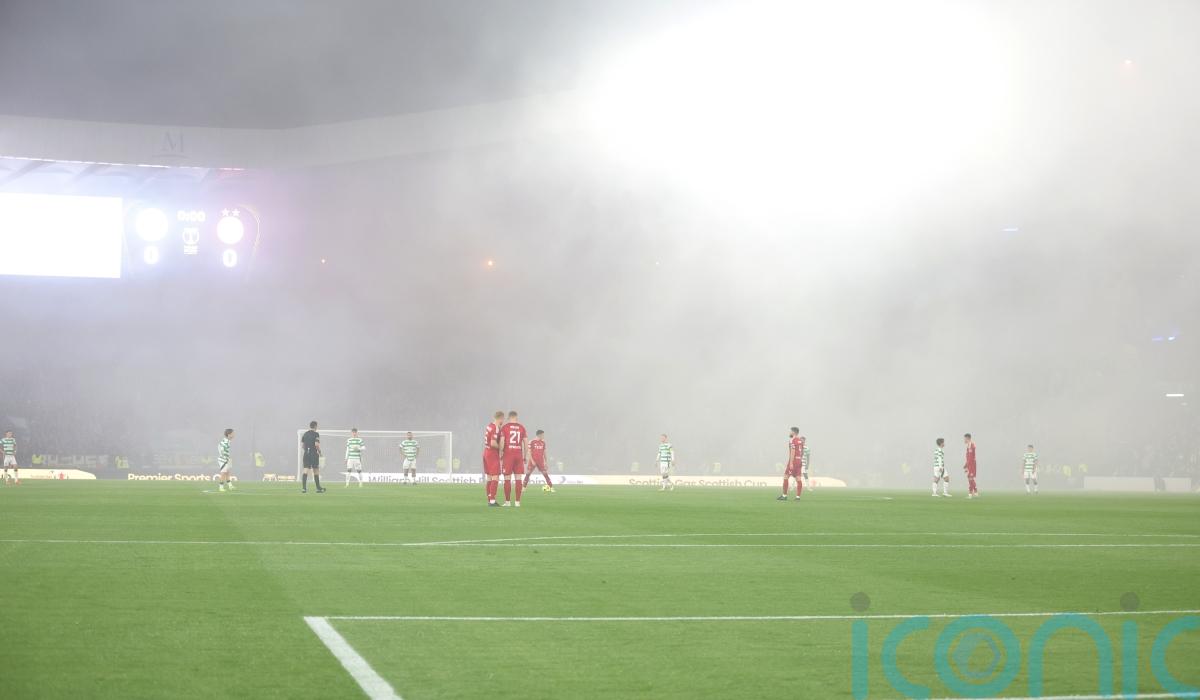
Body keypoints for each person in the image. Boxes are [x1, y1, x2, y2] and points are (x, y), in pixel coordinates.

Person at [500, 411, 528, 507]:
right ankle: (517, 502)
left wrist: (501, 453)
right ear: (516, 417)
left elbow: (502, 441)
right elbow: (526, 443)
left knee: (507, 478)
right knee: (518, 478)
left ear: (509, 417)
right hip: (518, 455)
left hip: (508, 455)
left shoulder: (505, 427)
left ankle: (507, 502)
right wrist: (525, 456)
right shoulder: (522, 428)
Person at [483, 411, 503, 506]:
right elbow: (493, 443)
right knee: (495, 476)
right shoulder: (495, 427)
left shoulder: (489, 425)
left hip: (486, 452)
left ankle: (489, 500)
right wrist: (501, 448)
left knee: (489, 477)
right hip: (492, 453)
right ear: (500, 418)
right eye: (502, 419)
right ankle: (492, 501)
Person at [779, 428, 804, 501]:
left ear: (793, 432)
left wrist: (791, 463)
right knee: (798, 478)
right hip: (799, 460)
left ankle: (784, 496)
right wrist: (800, 459)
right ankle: (798, 497)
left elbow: (793, 451)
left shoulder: (793, 440)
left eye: (790, 431)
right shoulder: (800, 441)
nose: (789, 432)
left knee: (786, 476)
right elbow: (802, 451)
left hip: (794, 461)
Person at [301, 421, 325, 494]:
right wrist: (320, 452)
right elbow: (316, 444)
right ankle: (318, 488)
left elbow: (302, 445)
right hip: (313, 454)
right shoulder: (316, 434)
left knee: (305, 470)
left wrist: (307, 450)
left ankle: (304, 488)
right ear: (315, 426)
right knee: (316, 470)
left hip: (306, 454)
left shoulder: (305, 434)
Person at [963, 433, 978, 498]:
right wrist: (966, 464)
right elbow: (968, 457)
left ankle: (970, 494)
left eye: (965, 439)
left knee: (970, 478)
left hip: (972, 464)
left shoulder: (972, 445)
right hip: (970, 464)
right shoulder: (969, 446)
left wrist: (967, 466)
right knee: (970, 478)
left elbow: (971, 458)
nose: (964, 440)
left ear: (968, 438)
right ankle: (975, 491)